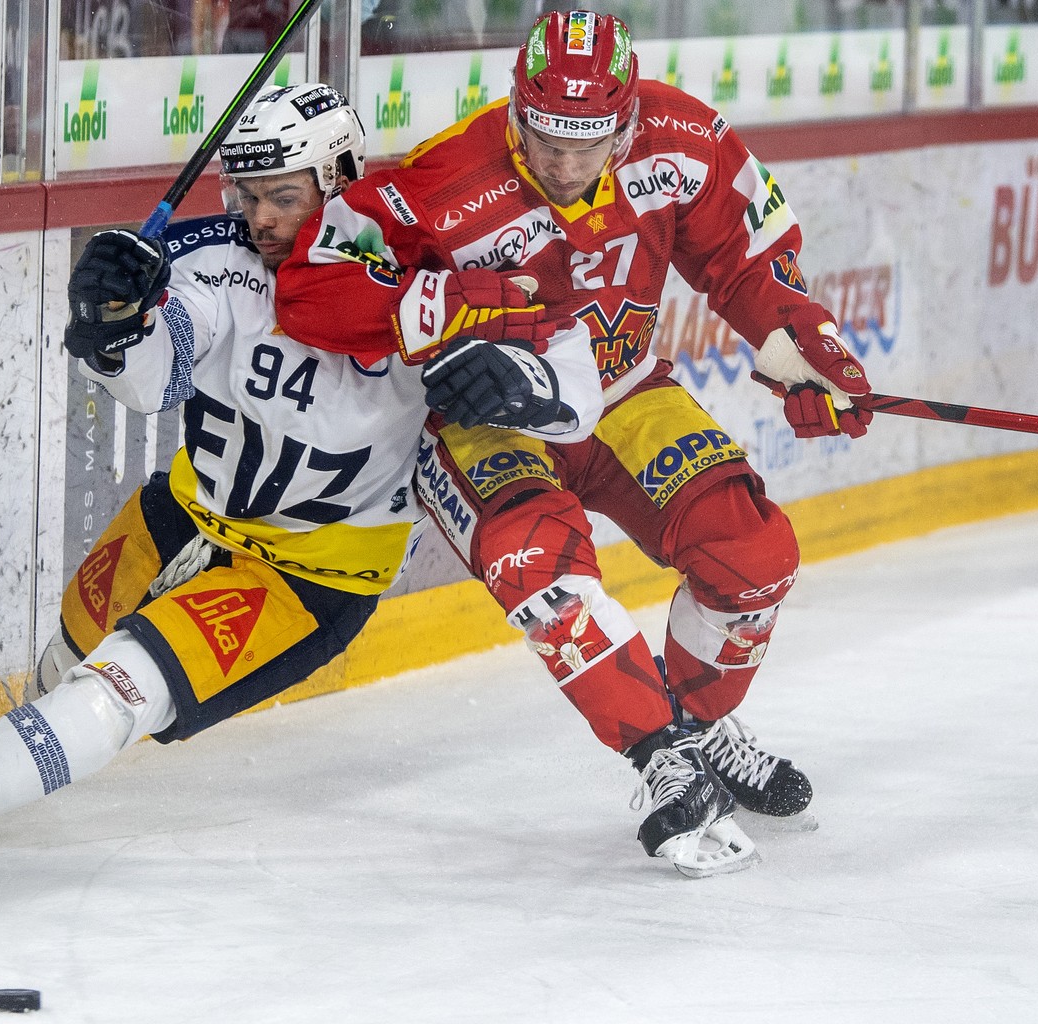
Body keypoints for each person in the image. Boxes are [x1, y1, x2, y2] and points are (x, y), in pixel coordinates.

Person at [0, 82, 602, 859]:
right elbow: (154, 376)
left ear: (339, 178)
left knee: (119, 689)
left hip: (306, 579)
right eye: (247, 193)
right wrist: (113, 326)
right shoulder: (221, 260)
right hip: (181, 517)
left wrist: (527, 386)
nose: (260, 218)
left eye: (283, 196)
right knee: (67, 661)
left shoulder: (423, 281)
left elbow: (570, 365)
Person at [275, 11, 875, 877]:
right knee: (537, 560)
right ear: (516, 110)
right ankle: (661, 754)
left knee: (753, 554)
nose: (562, 165)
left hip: (622, 392)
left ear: (627, 124)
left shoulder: (686, 140)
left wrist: (803, 348)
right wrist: (446, 307)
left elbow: (746, 264)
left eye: (587, 144)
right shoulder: (444, 177)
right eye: (545, 138)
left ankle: (700, 730)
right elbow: (311, 286)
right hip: (487, 419)